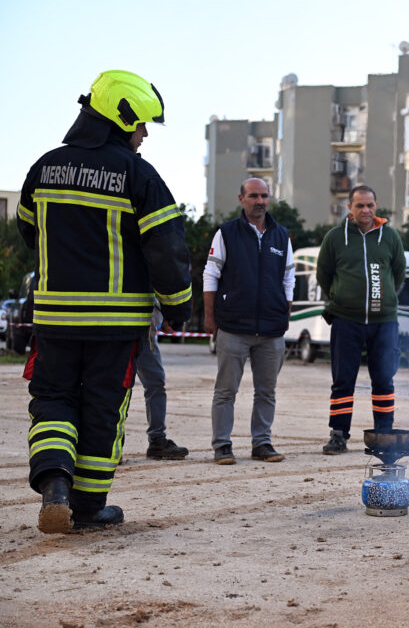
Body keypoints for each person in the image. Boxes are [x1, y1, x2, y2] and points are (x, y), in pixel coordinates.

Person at [17, 70, 192, 533]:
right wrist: (178, 307)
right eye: (141, 125)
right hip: (115, 324)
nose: (145, 134)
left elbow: (28, 229)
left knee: (52, 399)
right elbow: (167, 249)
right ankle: (88, 508)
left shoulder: (44, 167)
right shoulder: (139, 175)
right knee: (102, 409)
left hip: (53, 319)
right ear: (122, 117)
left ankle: (55, 484)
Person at [203, 178, 293, 464]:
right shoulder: (226, 233)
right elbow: (210, 275)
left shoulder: (282, 235)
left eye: (264, 196)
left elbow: (288, 279)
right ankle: (222, 446)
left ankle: (262, 443)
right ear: (241, 198)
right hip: (233, 327)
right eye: (253, 195)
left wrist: (284, 313)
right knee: (226, 391)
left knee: (266, 392)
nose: (260, 201)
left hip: (271, 330)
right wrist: (210, 317)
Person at [317, 186, 406, 455]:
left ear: (376, 206)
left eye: (370, 205)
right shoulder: (335, 238)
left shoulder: (390, 237)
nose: (365, 211)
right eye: (359, 206)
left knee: (383, 379)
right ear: (350, 208)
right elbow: (324, 274)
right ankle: (338, 434)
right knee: (343, 380)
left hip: (384, 322)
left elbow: (399, 274)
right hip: (346, 320)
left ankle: (384, 434)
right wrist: (339, 297)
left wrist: (386, 301)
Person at [136, 304, 189, 459]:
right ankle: (111, 442)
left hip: (144, 333)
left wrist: (165, 316)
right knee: (117, 386)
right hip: (124, 332)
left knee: (155, 384)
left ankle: (157, 441)